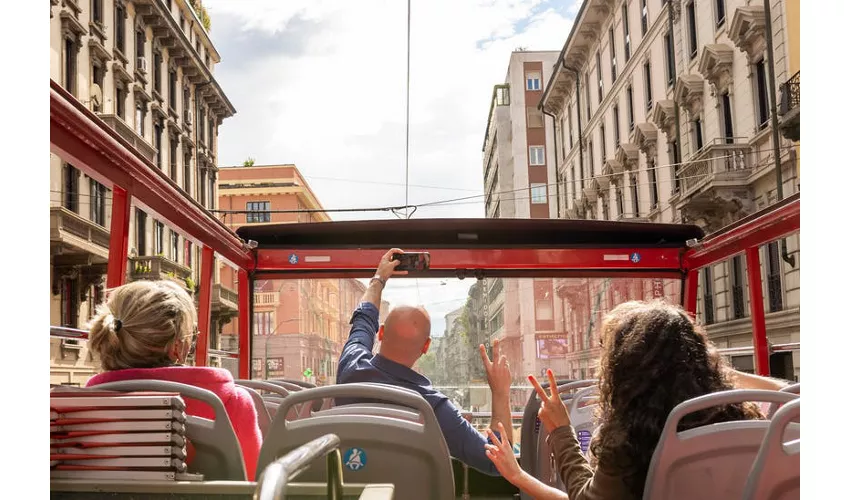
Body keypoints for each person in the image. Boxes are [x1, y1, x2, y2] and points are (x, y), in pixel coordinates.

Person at [484, 300, 781, 500]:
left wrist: (562, 431)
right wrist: (696, 365)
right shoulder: (741, 419)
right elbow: (789, 391)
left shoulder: (633, 440)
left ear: (623, 369)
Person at [336, 248, 514, 476]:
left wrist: (379, 279)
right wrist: (500, 392)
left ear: (380, 333)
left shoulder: (351, 366)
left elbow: (364, 319)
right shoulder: (433, 407)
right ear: (426, 347)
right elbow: (496, 463)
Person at [85, 280, 263, 480]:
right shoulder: (231, 402)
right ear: (177, 348)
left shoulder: (84, 405)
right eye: (192, 336)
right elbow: (252, 479)